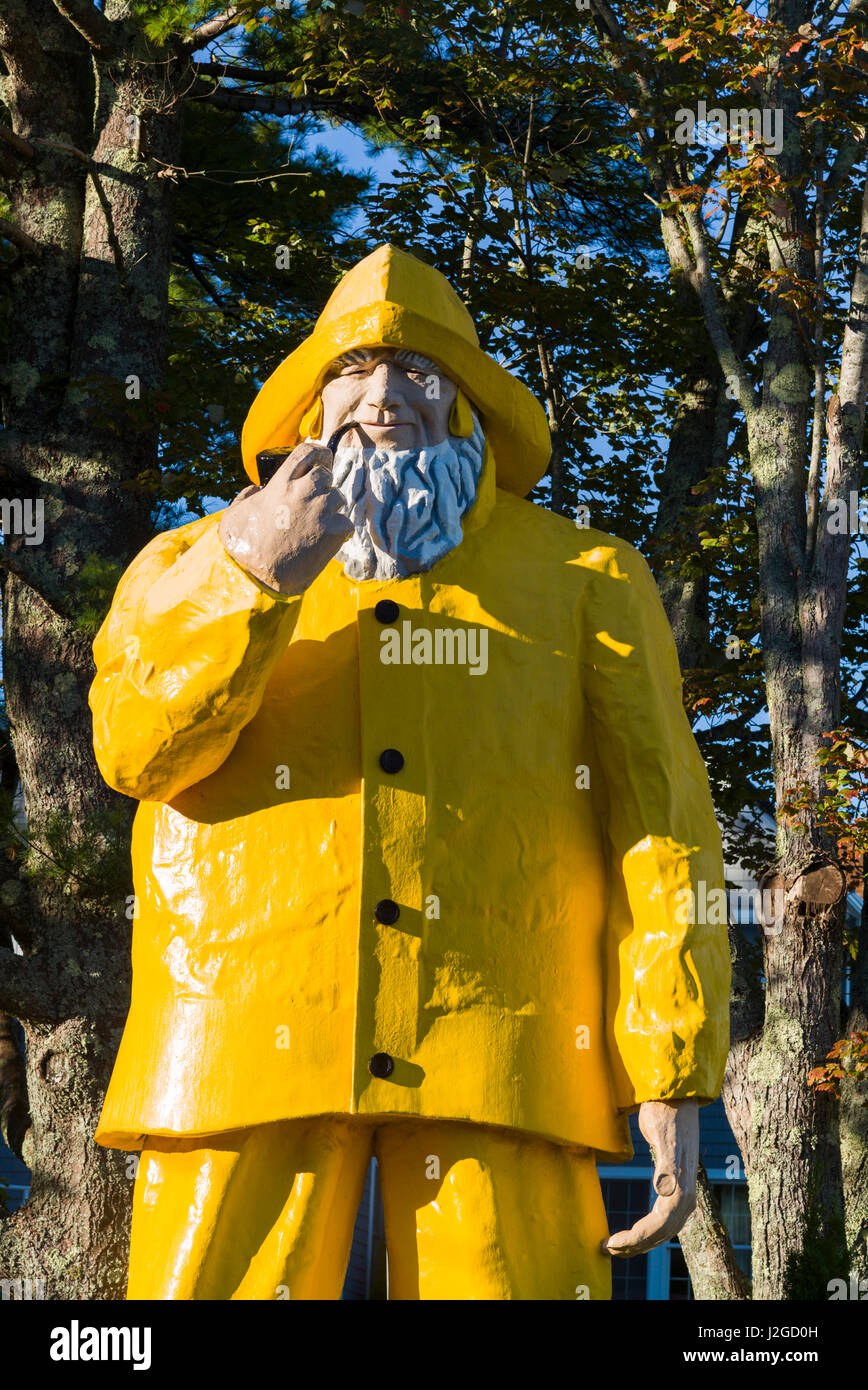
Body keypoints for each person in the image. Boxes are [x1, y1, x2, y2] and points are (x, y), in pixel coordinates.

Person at [89, 244, 730, 1300]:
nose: (384, 397)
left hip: (506, 1050)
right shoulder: (187, 560)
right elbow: (133, 752)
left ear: (467, 404)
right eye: (350, 371)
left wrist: (668, 1066)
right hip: (237, 1035)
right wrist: (252, 576)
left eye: (421, 373)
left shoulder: (586, 580)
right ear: (305, 402)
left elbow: (660, 833)